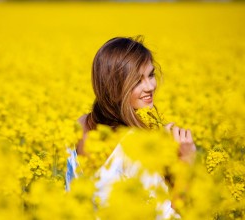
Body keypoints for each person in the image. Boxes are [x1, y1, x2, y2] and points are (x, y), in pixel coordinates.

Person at [65, 36, 196, 218]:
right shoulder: (135, 146)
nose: (150, 86)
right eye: (137, 80)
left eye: (150, 75)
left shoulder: (79, 125)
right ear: (114, 86)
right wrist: (186, 160)